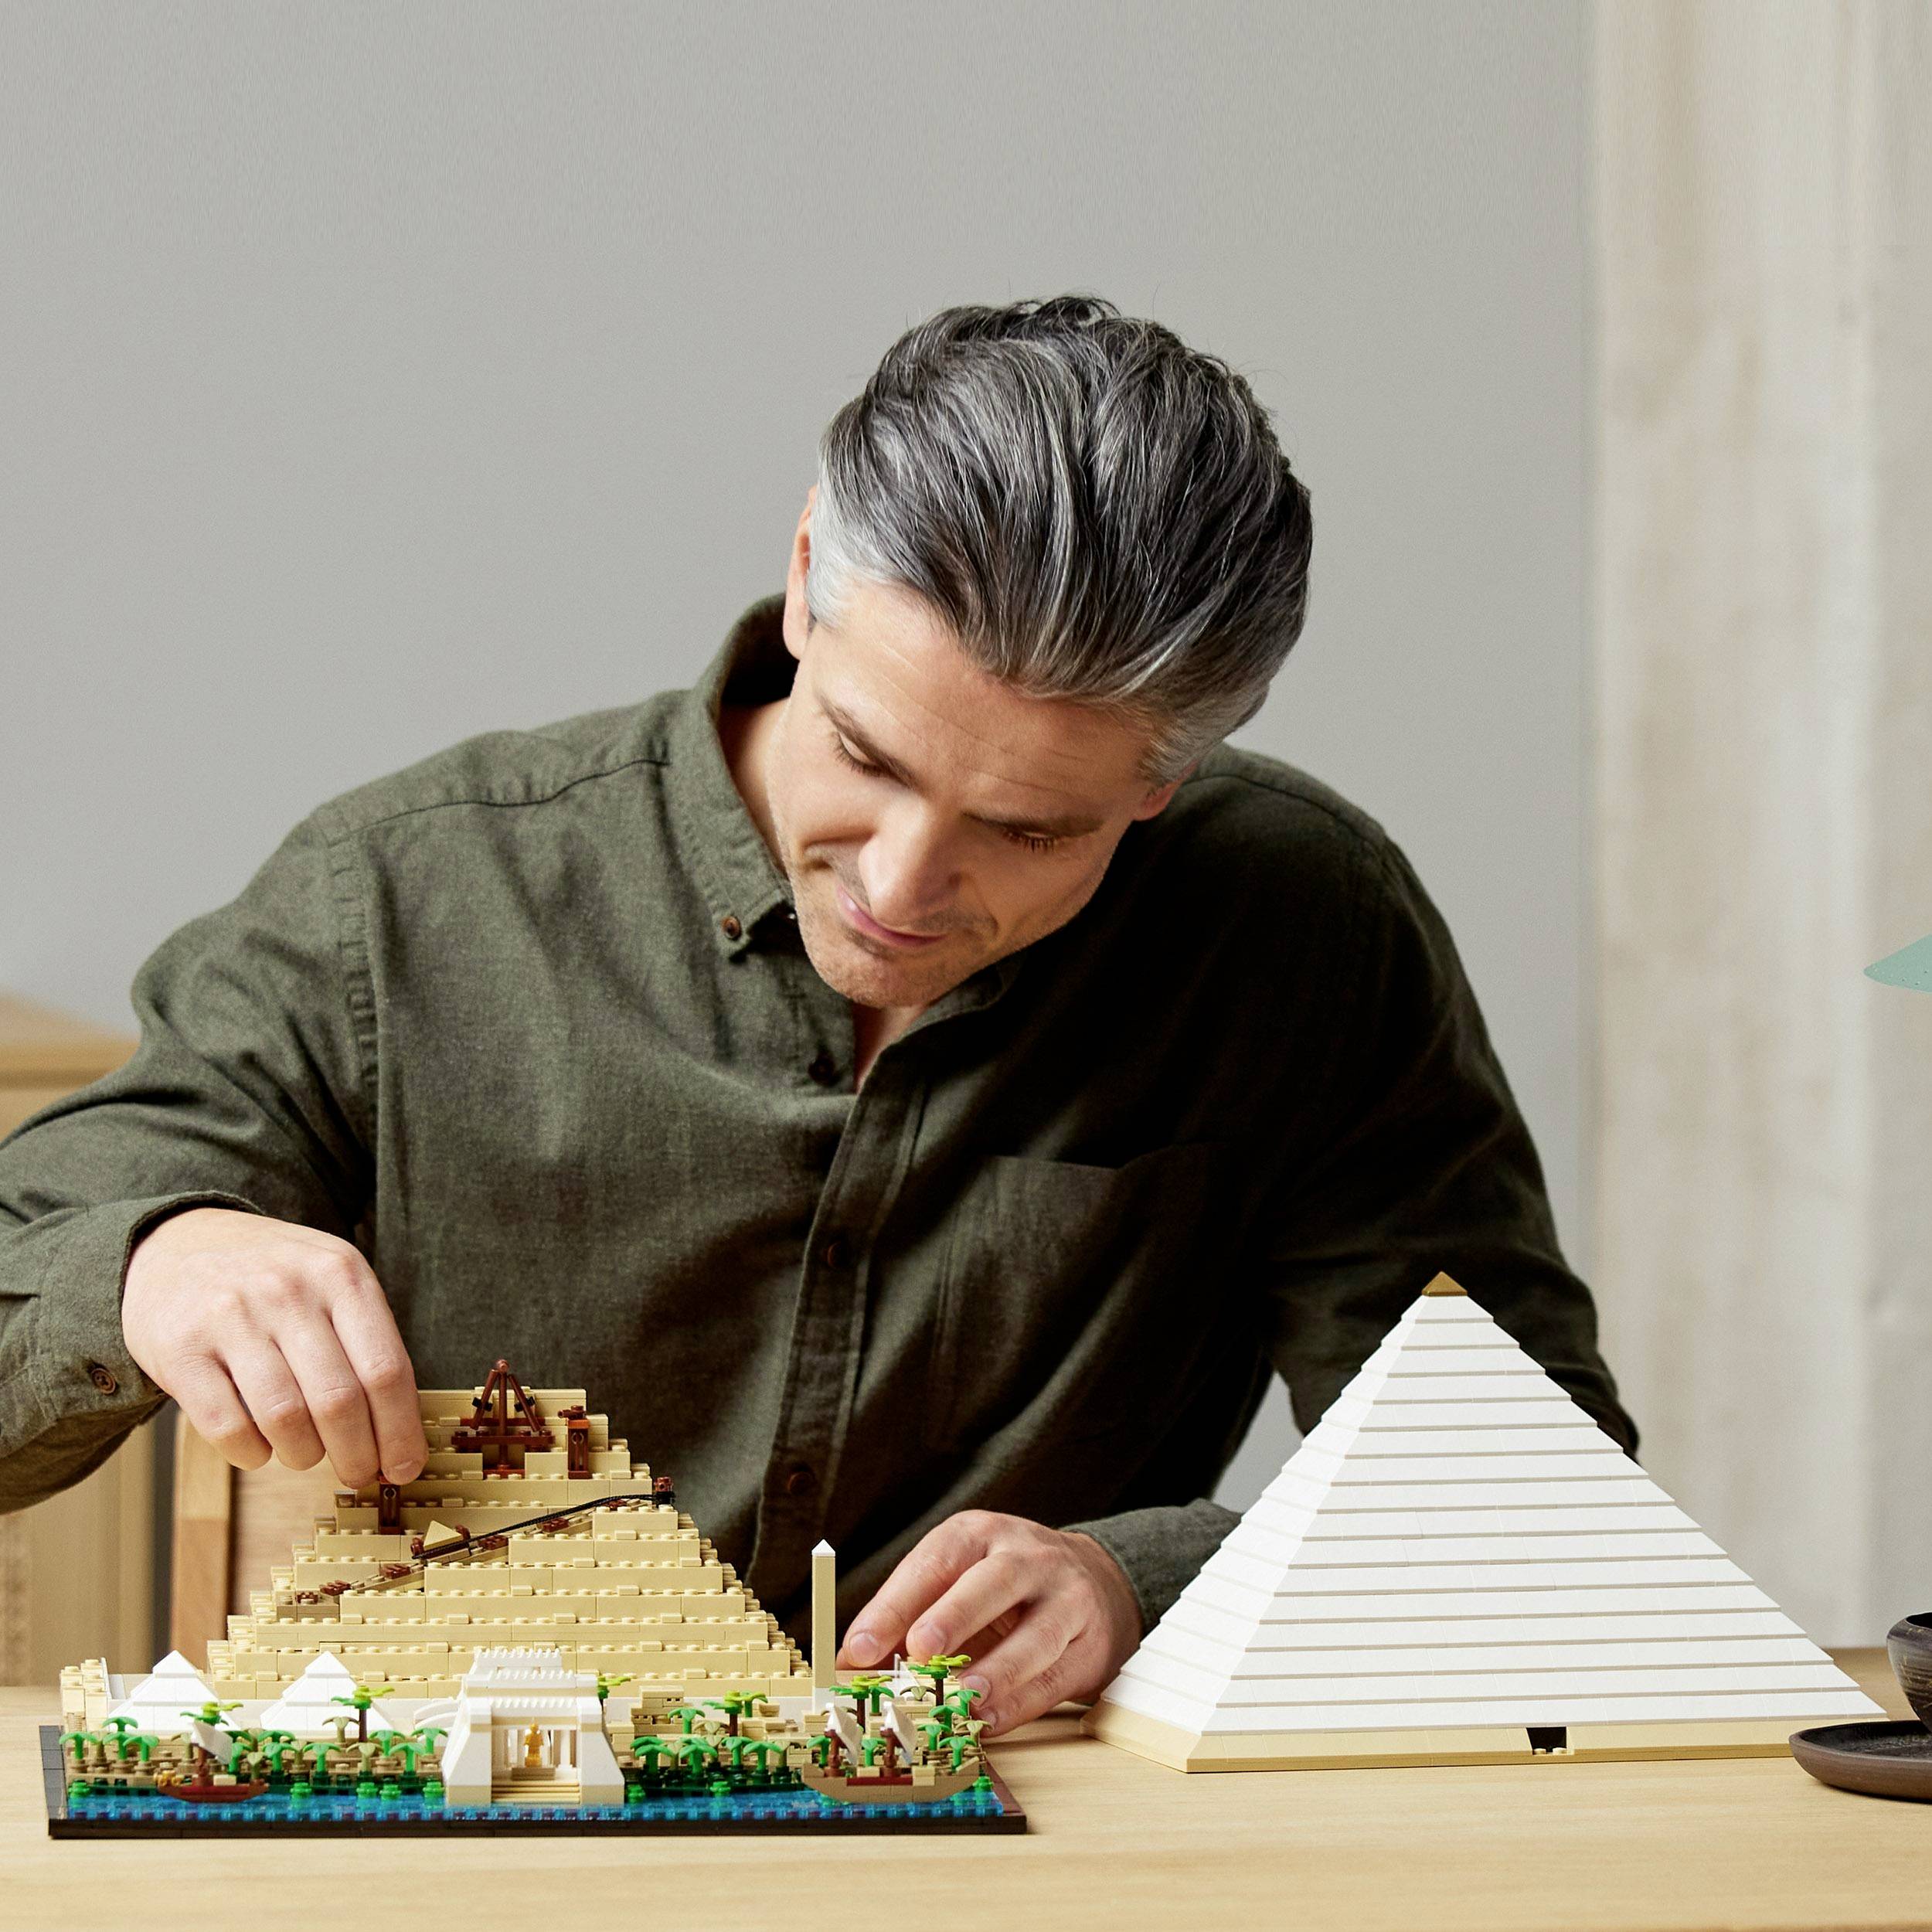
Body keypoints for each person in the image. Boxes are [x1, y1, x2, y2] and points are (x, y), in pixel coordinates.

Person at [0, 294, 1634, 1737]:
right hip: (480, 1832)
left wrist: (1141, 1581)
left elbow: (1522, 1490)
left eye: (1029, 829)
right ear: (801, 578)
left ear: (1167, 775)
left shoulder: (1298, 931)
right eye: (866, 754)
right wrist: (150, 1258)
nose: (903, 889)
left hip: (1026, 1850)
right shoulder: (406, 895)